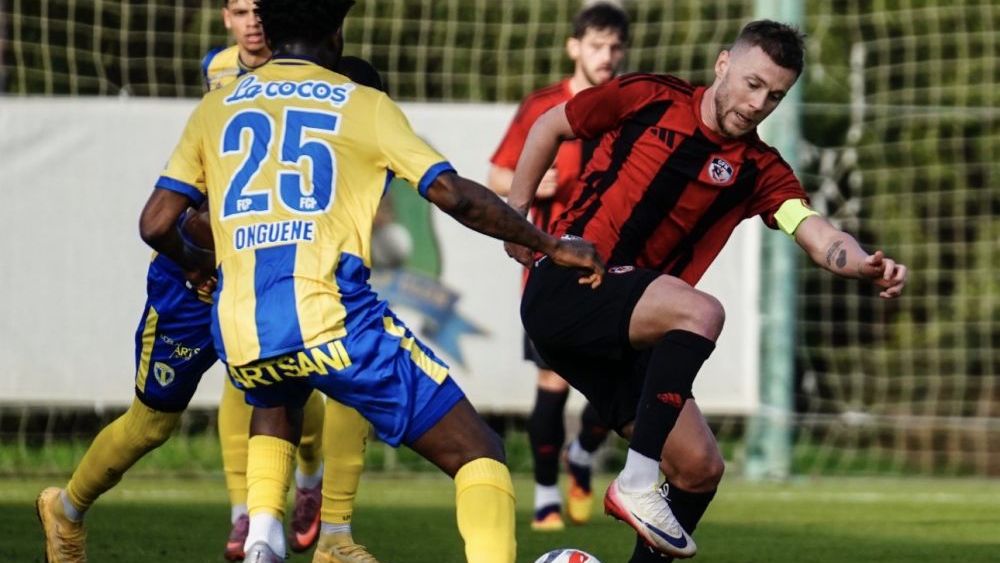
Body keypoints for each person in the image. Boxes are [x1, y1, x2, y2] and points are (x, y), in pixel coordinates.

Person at [136, 1, 604, 563]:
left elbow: (155, 223)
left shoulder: (216, 106)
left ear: (268, 32)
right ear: (336, 35)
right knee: (479, 451)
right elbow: (453, 195)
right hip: (331, 317)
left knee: (279, 391)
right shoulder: (361, 102)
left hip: (241, 326)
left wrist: (195, 262)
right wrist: (549, 244)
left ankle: (263, 537)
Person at [506, 20, 908, 561]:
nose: (759, 103)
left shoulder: (760, 169)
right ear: (723, 64)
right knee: (701, 312)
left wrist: (862, 263)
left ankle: (639, 497)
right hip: (570, 284)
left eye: (775, 95)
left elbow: (815, 232)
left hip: (630, 332)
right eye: (752, 83)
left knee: (699, 468)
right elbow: (549, 126)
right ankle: (635, 481)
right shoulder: (650, 97)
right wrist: (517, 219)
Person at [487, 1, 629, 532]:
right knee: (552, 382)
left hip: (613, 266)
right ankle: (546, 494)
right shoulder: (544, 107)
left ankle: (583, 454)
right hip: (550, 271)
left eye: (615, 47)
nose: (607, 56)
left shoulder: (630, 105)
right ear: (574, 47)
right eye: (597, 45)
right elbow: (498, 176)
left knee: (617, 381)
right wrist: (529, 184)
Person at [202, 2, 336, 558]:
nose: (252, 22)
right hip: (242, 239)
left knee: (301, 369)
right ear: (226, 18)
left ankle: (311, 476)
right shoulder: (216, 70)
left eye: (259, 10)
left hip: (304, 236)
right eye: (240, 11)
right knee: (242, 374)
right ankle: (246, 514)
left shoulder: (319, 68)